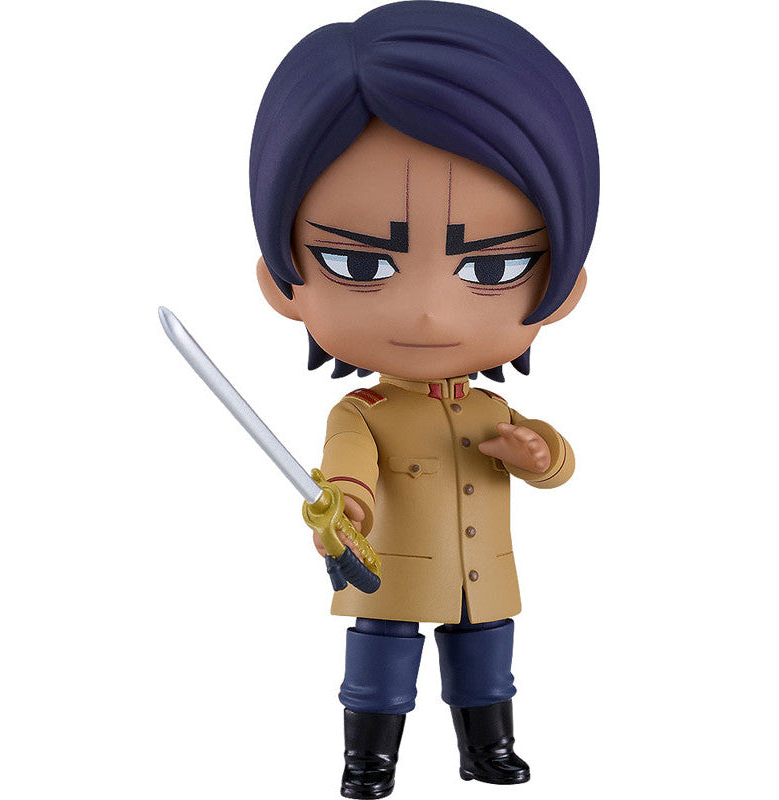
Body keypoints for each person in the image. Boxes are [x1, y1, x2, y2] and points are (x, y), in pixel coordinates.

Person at [250, 3, 599, 797]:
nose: (431, 314)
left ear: (565, 284)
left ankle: (488, 748)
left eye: (493, 268)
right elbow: (347, 468)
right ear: (282, 280)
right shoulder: (362, 413)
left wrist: (540, 453)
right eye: (361, 265)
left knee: (488, 659)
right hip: (393, 575)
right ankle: (368, 759)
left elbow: (551, 464)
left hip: (483, 573)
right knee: (380, 663)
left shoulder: (488, 411)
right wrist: (343, 508)